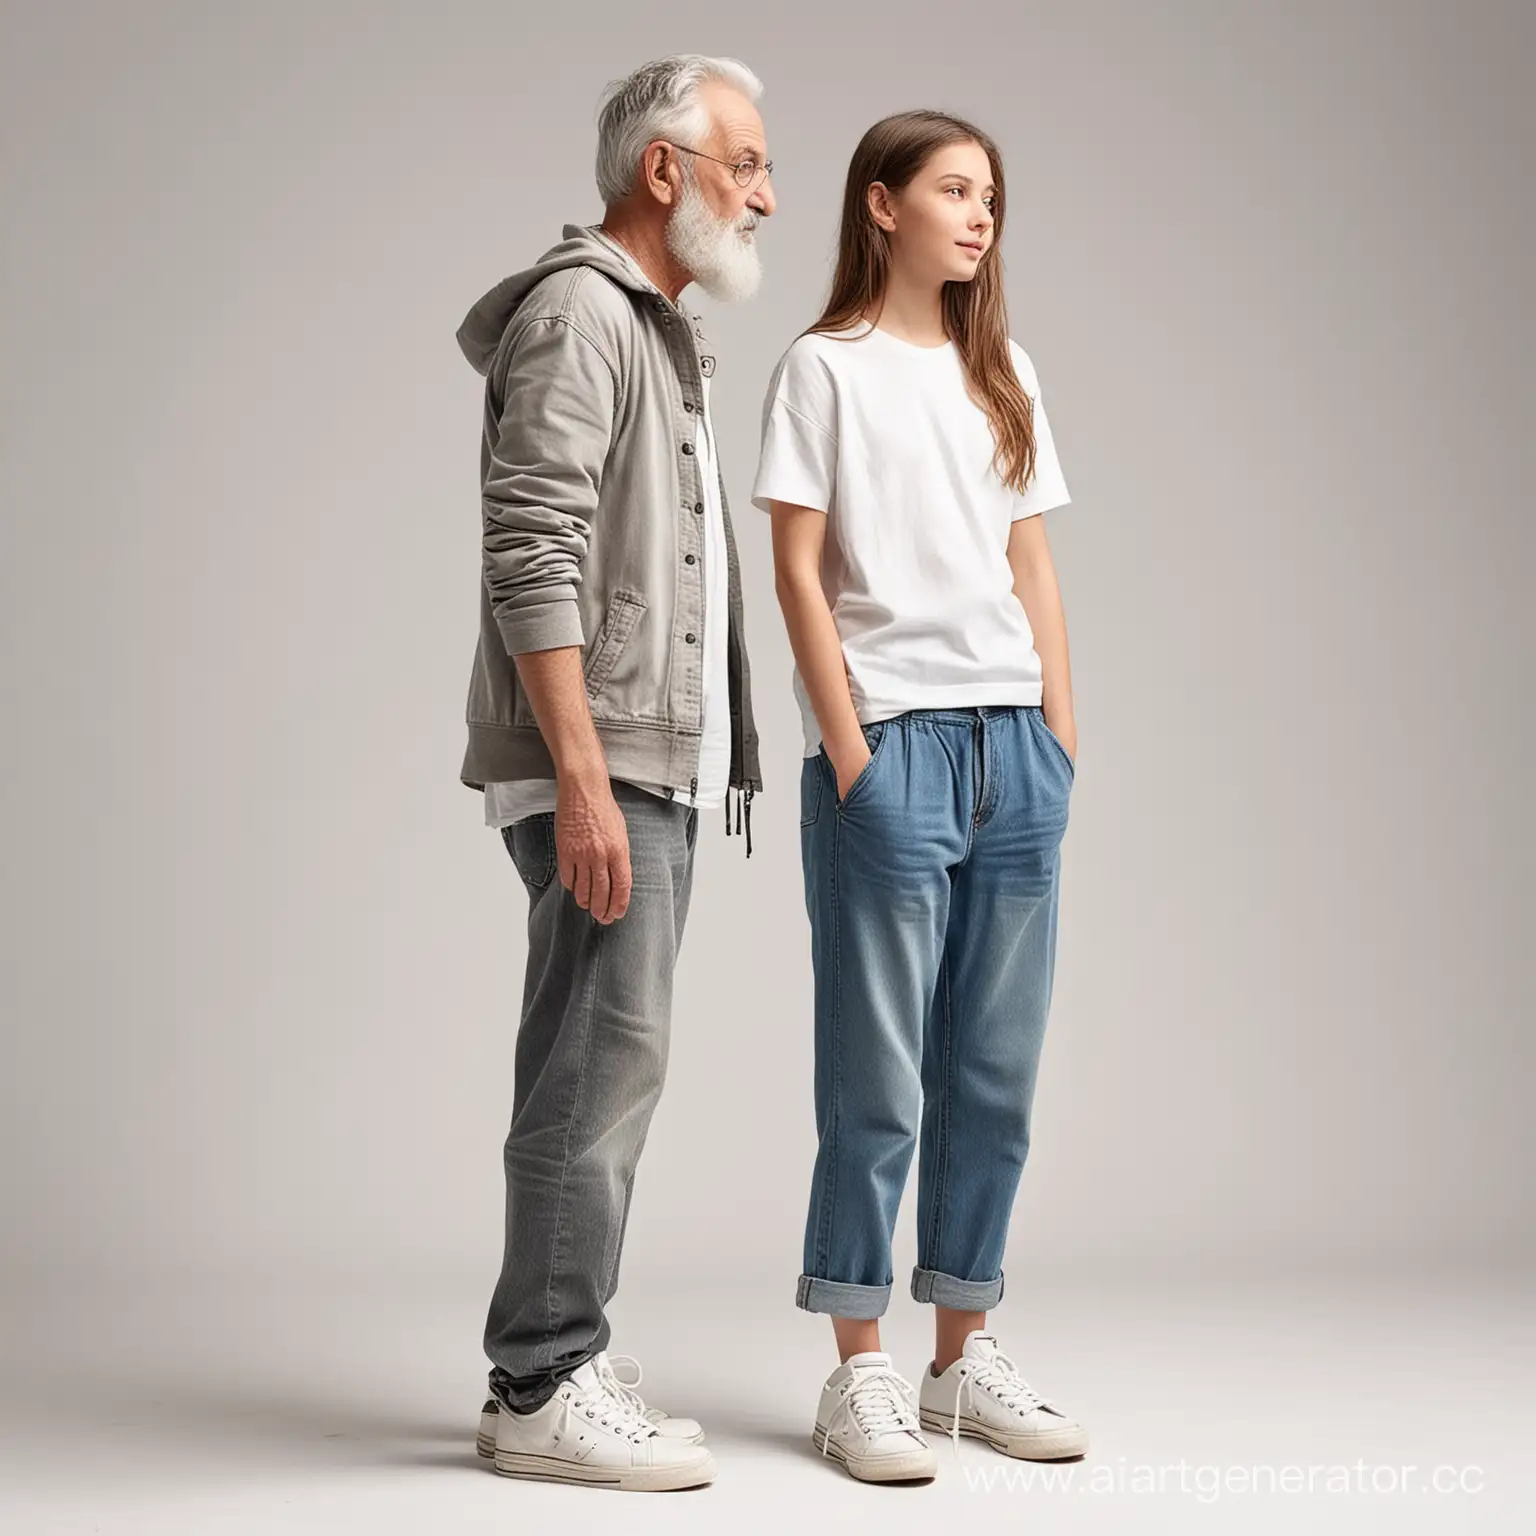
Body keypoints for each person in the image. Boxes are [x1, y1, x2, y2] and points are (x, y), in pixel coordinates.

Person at [752, 109, 1089, 1483]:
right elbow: (796, 570)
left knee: (994, 1077)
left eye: (992, 194)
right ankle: (861, 1371)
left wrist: (1061, 741)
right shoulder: (823, 369)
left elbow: (1035, 568)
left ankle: (963, 1362)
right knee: (878, 1080)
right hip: (893, 745)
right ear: (881, 204)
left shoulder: (999, 367)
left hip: (1015, 753)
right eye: (955, 189)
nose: (981, 213)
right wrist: (851, 757)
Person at [454, 54, 773, 1491]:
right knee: (595, 1069)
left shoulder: (660, 330)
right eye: (745, 164)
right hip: (610, 763)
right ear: (665, 171)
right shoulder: (587, 312)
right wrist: (584, 778)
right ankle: (541, 1385)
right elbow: (531, 545)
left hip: (652, 759)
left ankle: (558, 1357)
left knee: (608, 1062)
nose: (767, 193)